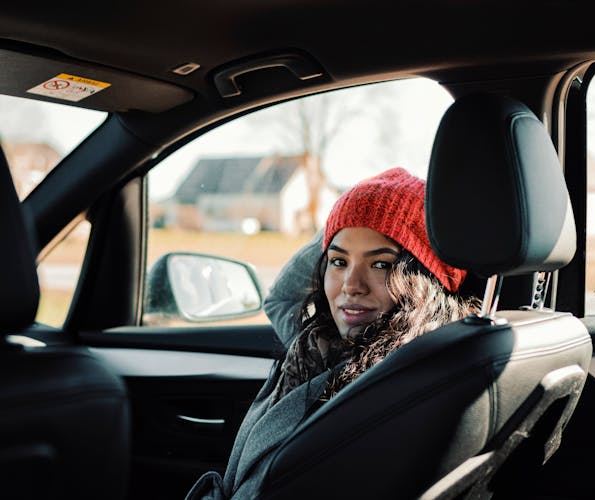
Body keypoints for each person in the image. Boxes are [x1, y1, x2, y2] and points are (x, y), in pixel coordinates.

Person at [186, 167, 479, 499]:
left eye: (381, 264)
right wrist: (353, 209)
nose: (351, 286)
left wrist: (377, 209)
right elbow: (282, 298)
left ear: (425, 279)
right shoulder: (320, 345)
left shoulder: (407, 388)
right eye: (339, 262)